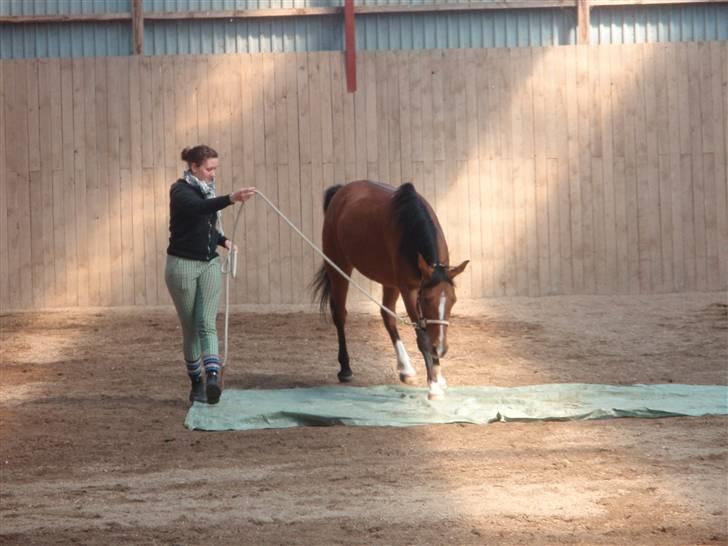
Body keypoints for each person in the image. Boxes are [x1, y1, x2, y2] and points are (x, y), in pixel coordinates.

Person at [165, 144, 255, 405]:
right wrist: (231, 198)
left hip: (209, 263)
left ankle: (213, 377)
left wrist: (222, 240)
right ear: (194, 167)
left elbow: (206, 225)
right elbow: (197, 210)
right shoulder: (180, 191)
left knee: (207, 321)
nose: (213, 173)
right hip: (182, 265)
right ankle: (196, 384)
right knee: (191, 327)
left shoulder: (207, 190)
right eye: (209, 168)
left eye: (215, 168)